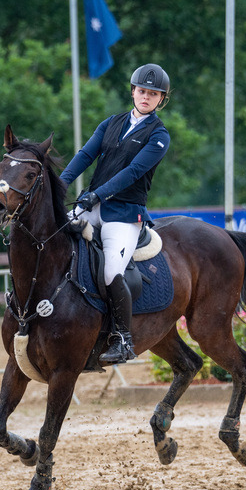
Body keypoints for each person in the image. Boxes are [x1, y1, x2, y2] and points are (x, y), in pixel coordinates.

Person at [60, 63, 172, 363]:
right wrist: (61, 184)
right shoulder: (111, 123)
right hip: (92, 205)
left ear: (161, 99)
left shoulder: (159, 136)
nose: (146, 97)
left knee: (111, 270)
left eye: (153, 94)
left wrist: (95, 195)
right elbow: (85, 155)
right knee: (58, 235)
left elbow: (134, 172)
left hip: (124, 215)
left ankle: (123, 338)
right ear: (133, 91)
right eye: (142, 91)